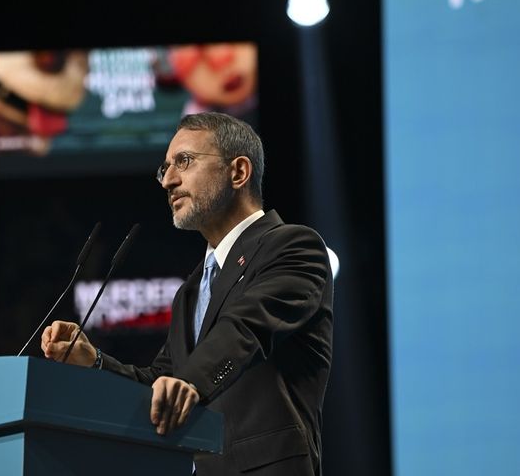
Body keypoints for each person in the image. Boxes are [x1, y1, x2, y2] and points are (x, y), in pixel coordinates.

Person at [42, 112, 333, 475]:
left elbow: (246, 329)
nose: (168, 181)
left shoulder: (293, 247)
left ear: (238, 172)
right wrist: (95, 362)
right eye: (164, 168)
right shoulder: (191, 291)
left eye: (184, 161)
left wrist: (188, 381)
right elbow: (160, 383)